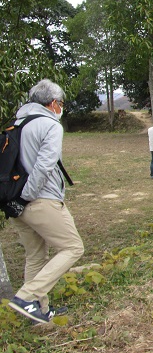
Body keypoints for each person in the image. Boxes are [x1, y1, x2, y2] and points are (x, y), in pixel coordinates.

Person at [8, 79, 85, 324]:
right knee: (73, 247)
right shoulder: (50, 125)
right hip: (39, 200)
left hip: (14, 203)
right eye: (61, 103)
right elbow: (45, 165)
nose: (61, 108)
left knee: (35, 256)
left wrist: (18, 199)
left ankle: (39, 311)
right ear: (53, 103)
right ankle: (26, 297)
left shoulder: (16, 122)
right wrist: (28, 196)